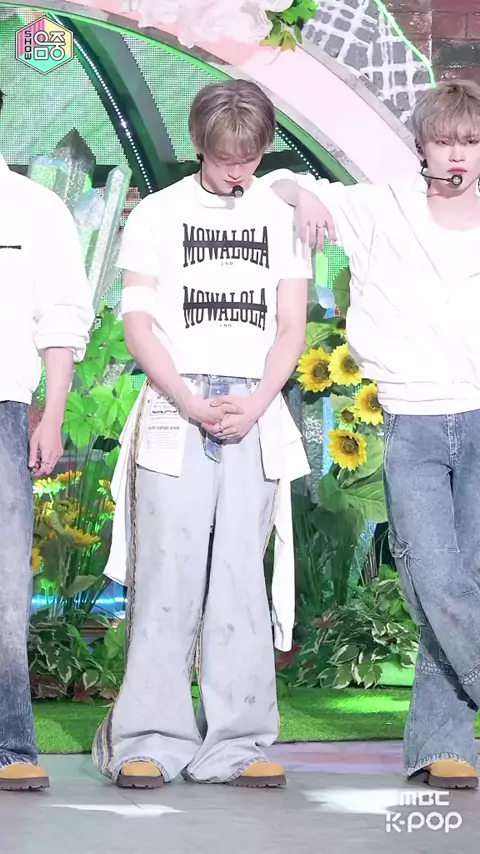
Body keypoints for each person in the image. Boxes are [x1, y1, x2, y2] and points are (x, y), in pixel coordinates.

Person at [92, 79, 312, 789]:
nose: (237, 173)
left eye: (250, 159)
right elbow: (137, 323)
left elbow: (291, 325)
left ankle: (238, 744)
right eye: (225, 159)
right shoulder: (157, 214)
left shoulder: (280, 219)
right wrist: (188, 398)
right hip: (173, 402)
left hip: (254, 406)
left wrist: (257, 401)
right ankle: (146, 739)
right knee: (168, 573)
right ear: (199, 145)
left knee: (240, 578)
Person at [264, 80, 480, 790]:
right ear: (420, 146)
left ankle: (443, 745)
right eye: (444, 142)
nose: (457, 155)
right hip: (412, 422)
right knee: (437, 580)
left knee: (468, 582)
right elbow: (275, 184)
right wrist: (306, 194)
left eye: (470, 142)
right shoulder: (383, 208)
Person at [0, 89, 94, 791]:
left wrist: (52, 414)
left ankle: (11, 742)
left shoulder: (35, 208)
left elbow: (62, 315)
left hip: (5, 409)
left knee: (6, 589)